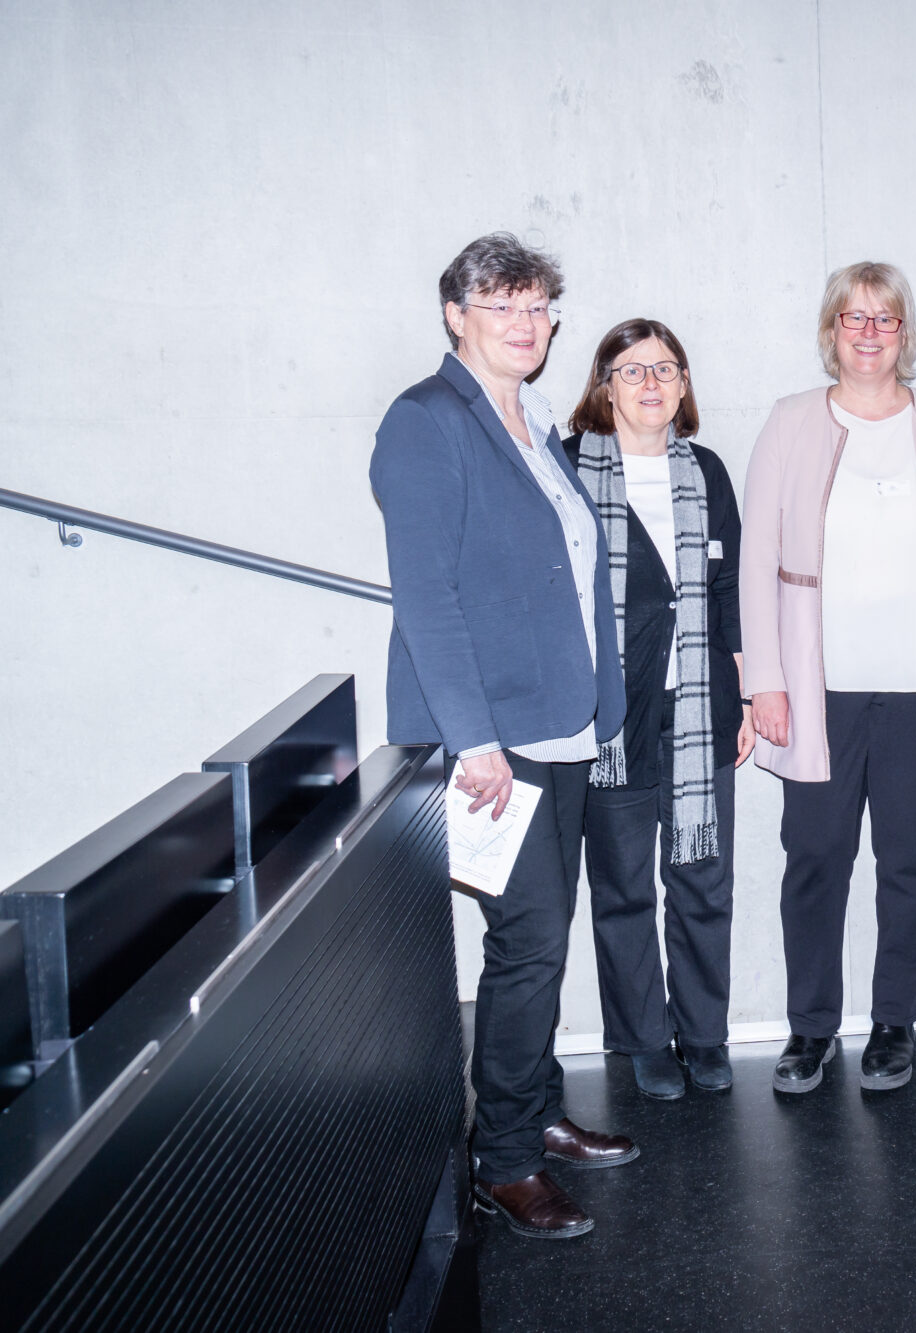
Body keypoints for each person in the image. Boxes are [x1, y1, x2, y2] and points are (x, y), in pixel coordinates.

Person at [371, 233, 634, 1240]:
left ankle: (536, 1108)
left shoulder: (530, 418)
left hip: (554, 719)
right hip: (490, 735)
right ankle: (506, 1160)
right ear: (455, 315)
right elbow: (427, 598)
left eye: (538, 308)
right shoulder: (427, 421)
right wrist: (471, 740)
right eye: (501, 306)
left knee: (540, 932)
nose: (525, 325)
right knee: (529, 939)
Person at [740, 261, 916, 1095]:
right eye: (852, 318)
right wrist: (765, 679)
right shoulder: (789, 421)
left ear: (903, 333)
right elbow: (755, 558)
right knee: (815, 858)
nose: (868, 332)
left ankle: (895, 1023)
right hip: (817, 688)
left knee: (908, 861)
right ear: (831, 332)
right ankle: (811, 1028)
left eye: (884, 318)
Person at [562, 318, 752, 1102]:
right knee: (623, 889)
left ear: (684, 384)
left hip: (698, 707)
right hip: (610, 714)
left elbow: (729, 588)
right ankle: (643, 1038)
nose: (650, 383)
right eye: (632, 369)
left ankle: (704, 1035)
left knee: (703, 880)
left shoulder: (705, 471)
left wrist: (743, 693)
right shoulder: (568, 468)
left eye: (665, 369)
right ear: (605, 385)